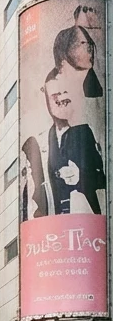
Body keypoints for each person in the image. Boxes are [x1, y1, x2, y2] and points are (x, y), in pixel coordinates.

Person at [40, 68, 106, 216]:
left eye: (64, 92)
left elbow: (104, 177)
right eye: (55, 96)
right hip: (58, 223)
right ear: (47, 100)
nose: (61, 99)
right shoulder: (47, 137)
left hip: (89, 219)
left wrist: (80, 176)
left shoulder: (87, 129)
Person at [55, 24, 104, 99]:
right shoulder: (54, 86)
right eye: (83, 43)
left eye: (90, 43)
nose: (90, 49)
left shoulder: (91, 86)